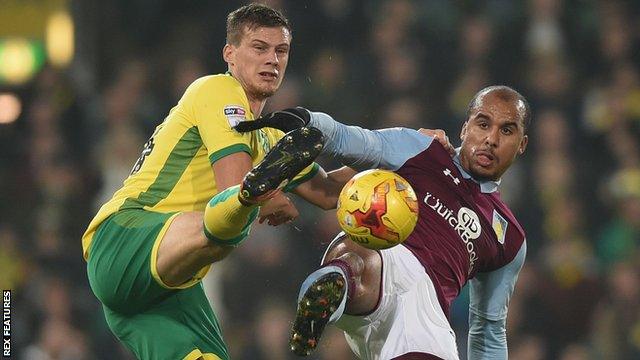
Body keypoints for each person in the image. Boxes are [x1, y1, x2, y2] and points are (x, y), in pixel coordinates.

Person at [82, 4, 349, 360]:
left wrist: (409, 165)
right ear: (229, 54)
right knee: (235, 209)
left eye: (280, 51)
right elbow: (233, 183)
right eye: (259, 47)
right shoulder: (216, 90)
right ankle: (255, 194)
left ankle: (253, 194)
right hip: (126, 238)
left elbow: (331, 193)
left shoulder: (269, 138)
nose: (272, 59)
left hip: (167, 287)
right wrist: (265, 197)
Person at [235, 85, 530, 359]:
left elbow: (489, 328)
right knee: (371, 233)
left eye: (507, 130)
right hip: (382, 257)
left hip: (426, 314)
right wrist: (306, 119)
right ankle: (336, 284)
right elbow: (350, 139)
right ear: (465, 128)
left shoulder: (511, 239)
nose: (491, 139)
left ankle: (336, 283)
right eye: (483, 124)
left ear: (521, 144)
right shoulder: (421, 149)